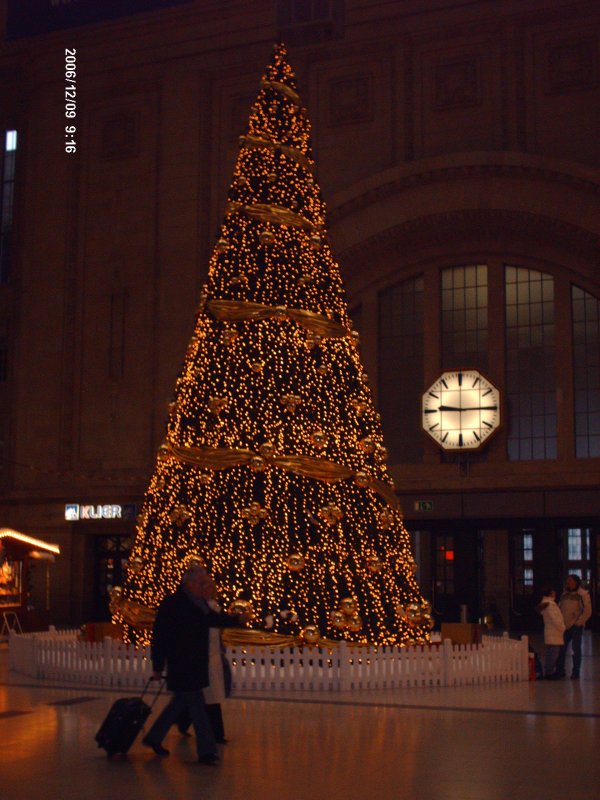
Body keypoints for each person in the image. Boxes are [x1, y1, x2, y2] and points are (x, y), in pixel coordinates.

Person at [142, 565, 242, 764]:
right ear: (189, 582)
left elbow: (214, 619)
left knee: (179, 704)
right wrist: (158, 666)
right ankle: (207, 752)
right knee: (198, 708)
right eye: (200, 582)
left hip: (196, 664)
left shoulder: (199, 604)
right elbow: (160, 637)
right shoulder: (173, 603)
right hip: (182, 664)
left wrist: (236, 620)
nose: (203, 585)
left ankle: (153, 737)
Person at [555, 574, 592, 679]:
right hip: (564, 626)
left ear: (576, 582)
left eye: (571, 581)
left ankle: (576, 671)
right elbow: (560, 607)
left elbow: (587, 611)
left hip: (576, 626)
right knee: (561, 649)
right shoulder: (564, 594)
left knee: (576, 649)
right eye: (567, 581)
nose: (568, 583)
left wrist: (579, 622)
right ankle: (560, 670)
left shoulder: (583, 594)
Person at [535, 585, 565, 679]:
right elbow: (555, 619)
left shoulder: (547, 604)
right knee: (553, 654)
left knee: (551, 653)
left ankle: (549, 670)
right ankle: (549, 672)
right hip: (554, 632)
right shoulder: (550, 605)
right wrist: (562, 627)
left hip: (551, 632)